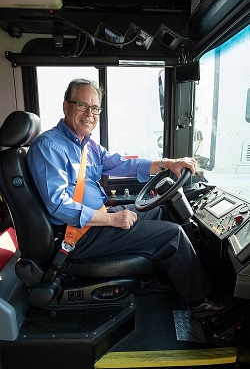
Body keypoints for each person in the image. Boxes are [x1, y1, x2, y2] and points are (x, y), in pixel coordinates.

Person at [27, 78, 230, 319]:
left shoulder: (86, 145)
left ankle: (156, 278)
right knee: (172, 234)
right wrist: (111, 220)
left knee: (163, 210)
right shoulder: (49, 146)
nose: (89, 114)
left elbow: (119, 163)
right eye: (82, 105)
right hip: (77, 235)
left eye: (95, 108)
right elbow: (58, 204)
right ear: (65, 106)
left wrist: (168, 163)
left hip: (95, 220)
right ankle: (199, 302)